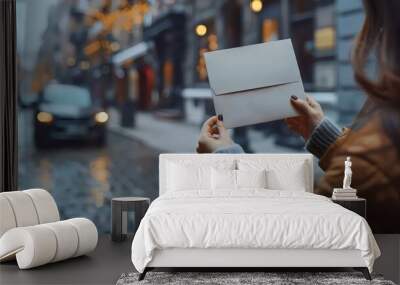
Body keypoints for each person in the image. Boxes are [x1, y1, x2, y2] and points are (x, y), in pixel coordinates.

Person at [196, 0, 400, 234]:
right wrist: (322, 134)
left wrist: (227, 160)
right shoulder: (377, 154)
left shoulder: (373, 161)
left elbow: (291, 232)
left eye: (372, 22)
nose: (362, 37)